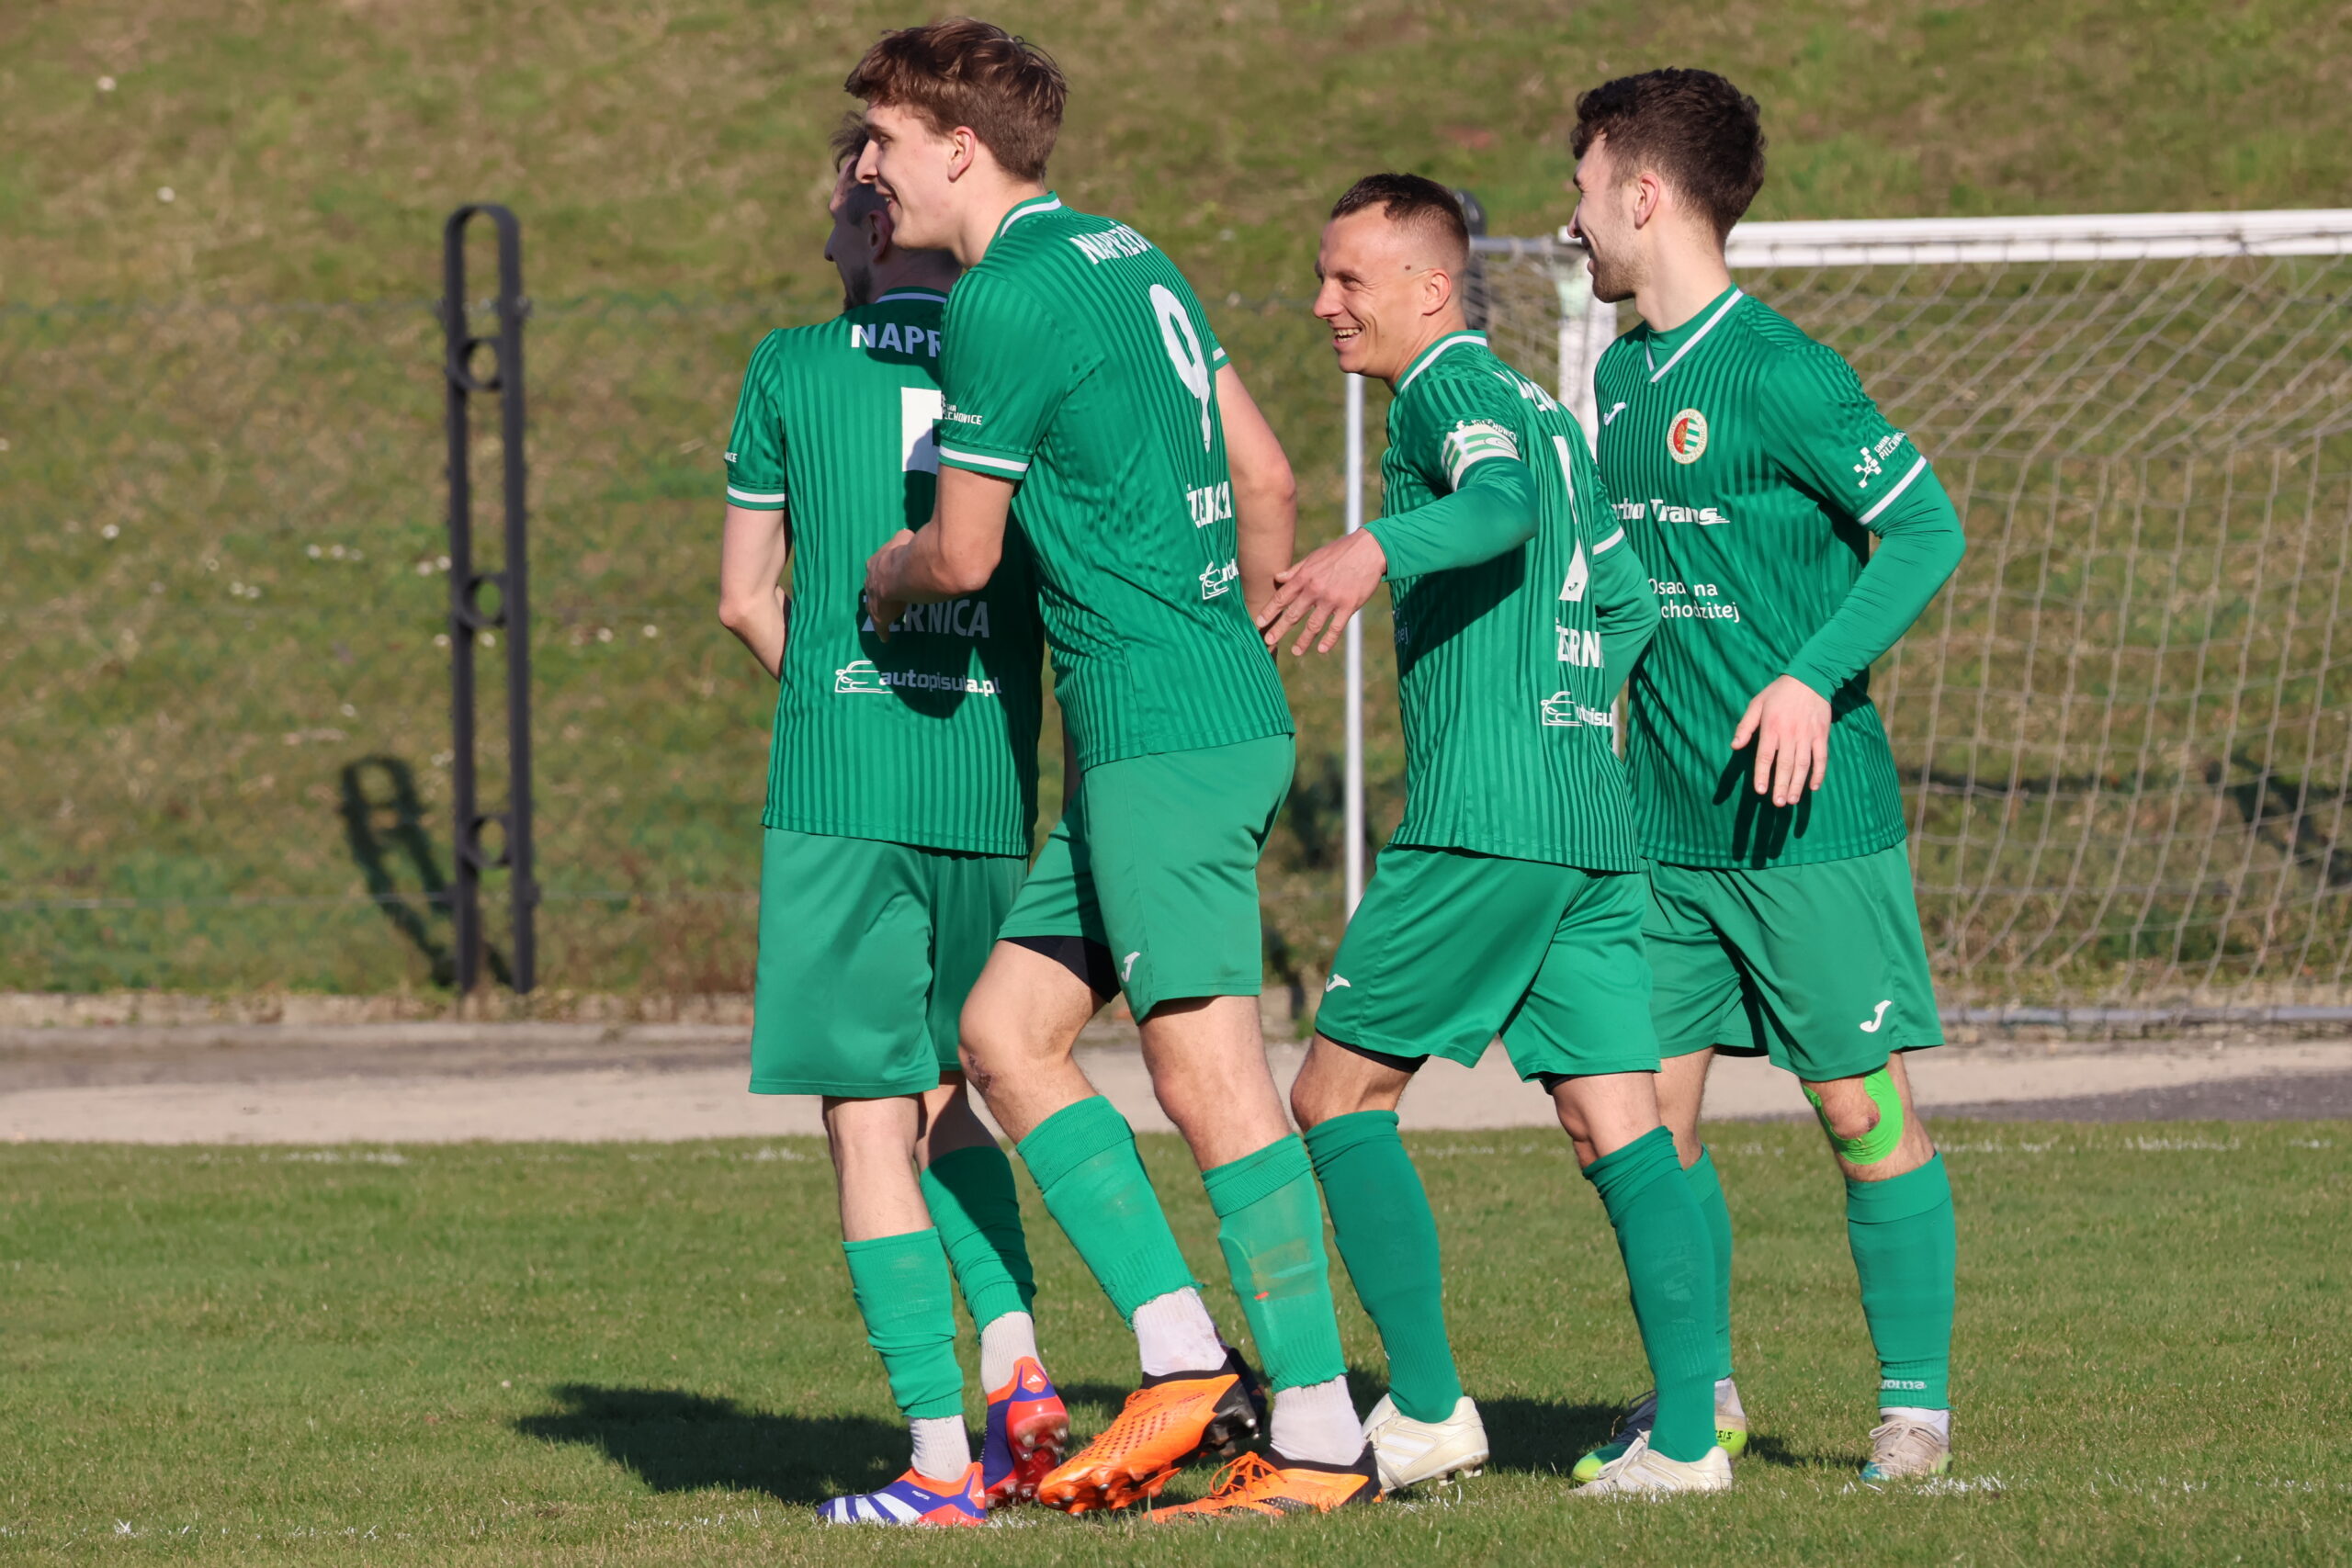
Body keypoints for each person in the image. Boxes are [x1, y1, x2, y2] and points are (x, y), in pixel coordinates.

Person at [846, 19, 1380, 1518]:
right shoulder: (1130, 251)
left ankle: (1321, 1436)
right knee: (1004, 1031)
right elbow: (1267, 474)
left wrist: (882, 574)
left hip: (1161, 733)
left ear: (959, 148)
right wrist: (1229, 647)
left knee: (1207, 1073)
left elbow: (962, 555)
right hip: (1184, 718)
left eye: (884, 140)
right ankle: (1185, 1357)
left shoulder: (1000, 297)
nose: (869, 169)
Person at [1264, 173, 1732, 1497]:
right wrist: (1573, 710)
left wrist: (1372, 548)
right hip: (1590, 816)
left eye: (1349, 280)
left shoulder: (1451, 393)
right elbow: (1630, 603)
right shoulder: (1546, 410)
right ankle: (1687, 1444)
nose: (1325, 303)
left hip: (1488, 818)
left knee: (1334, 1097)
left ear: (1432, 287)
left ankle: (1425, 1411)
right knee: (1619, 1124)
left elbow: (1502, 505)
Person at [1567, 68, 1966, 1482]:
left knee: (1861, 1112)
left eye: (1582, 188)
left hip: (1807, 833)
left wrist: (1808, 675)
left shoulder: (1784, 371)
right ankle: (1701, 1401)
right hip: (1663, 834)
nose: (1572, 220)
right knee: (1630, 1125)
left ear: (1644, 194)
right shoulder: (1618, 378)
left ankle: (1914, 1410)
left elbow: (1926, 530)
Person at [716, 118, 1063, 1528]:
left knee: (867, 1112)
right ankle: (1020, 1372)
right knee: (949, 1091)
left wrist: (834, 687)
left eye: (834, 220)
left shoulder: (792, 365)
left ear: (873, 223)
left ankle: (935, 1459)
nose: (823, 246)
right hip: (986, 782)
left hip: (846, 789)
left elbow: (745, 598)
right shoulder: (1019, 357)